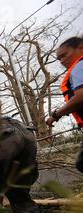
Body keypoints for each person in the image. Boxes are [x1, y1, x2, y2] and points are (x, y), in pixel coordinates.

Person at [46, 36, 83, 173]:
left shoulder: (79, 66)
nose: (62, 61)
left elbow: (81, 97)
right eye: (59, 58)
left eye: (64, 55)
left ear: (80, 48)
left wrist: (56, 115)